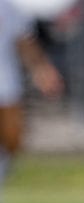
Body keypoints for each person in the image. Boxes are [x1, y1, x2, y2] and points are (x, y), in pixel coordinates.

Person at [0, 0, 63, 187]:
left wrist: (42, 70)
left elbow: (24, 40)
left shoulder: (9, 6)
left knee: (12, 140)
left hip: (5, 83)